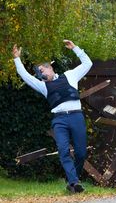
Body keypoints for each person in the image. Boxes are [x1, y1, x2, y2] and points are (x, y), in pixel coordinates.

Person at [12, 40, 93, 193]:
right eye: (38, 73)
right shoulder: (43, 86)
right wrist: (17, 58)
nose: (40, 75)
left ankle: (71, 179)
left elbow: (87, 64)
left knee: (81, 153)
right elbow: (25, 76)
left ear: (50, 67)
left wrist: (75, 48)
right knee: (63, 150)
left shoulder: (70, 76)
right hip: (60, 120)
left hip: (76, 117)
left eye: (42, 71)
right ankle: (74, 183)